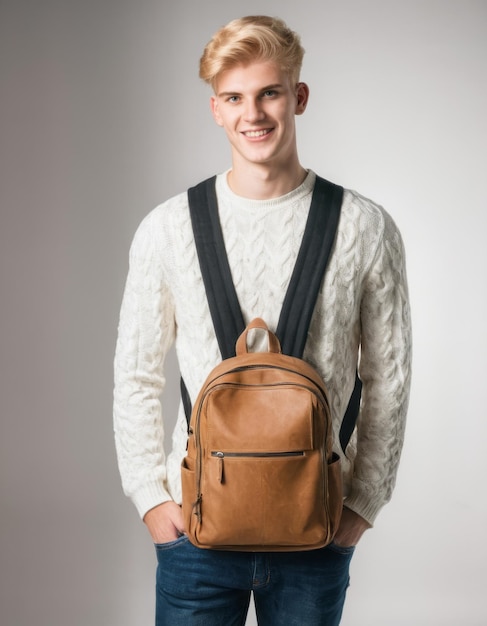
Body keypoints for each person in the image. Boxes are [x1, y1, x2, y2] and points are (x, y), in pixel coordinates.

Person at [113, 15, 412, 626]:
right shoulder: (167, 229)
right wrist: (151, 500)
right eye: (234, 98)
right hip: (193, 534)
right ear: (215, 110)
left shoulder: (365, 227)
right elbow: (135, 375)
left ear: (298, 96)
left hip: (318, 528)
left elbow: (389, 378)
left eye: (270, 92)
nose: (254, 114)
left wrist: (361, 506)